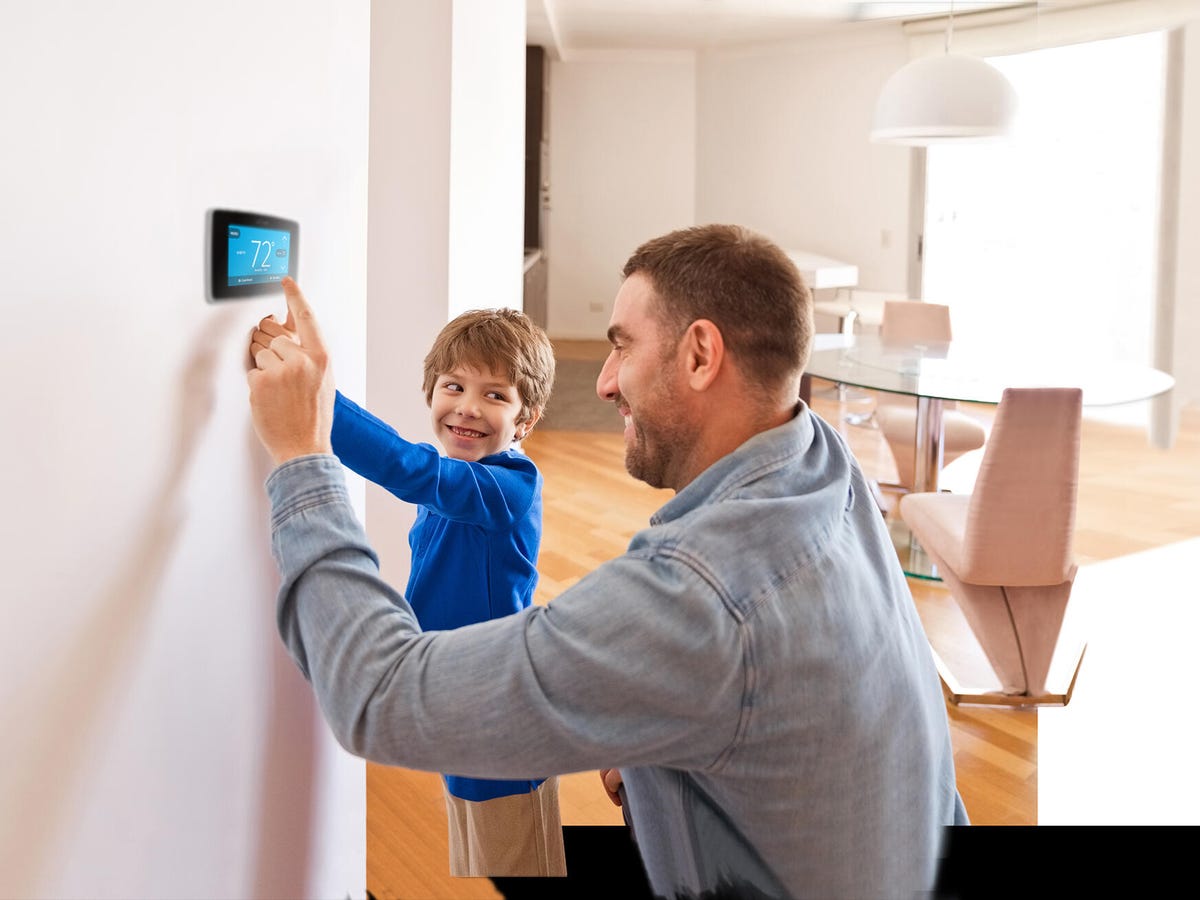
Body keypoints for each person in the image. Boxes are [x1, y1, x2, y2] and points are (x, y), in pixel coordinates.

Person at [246, 226, 968, 900]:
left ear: (699, 354)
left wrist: (302, 452)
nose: (604, 382)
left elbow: (376, 698)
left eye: (622, 346)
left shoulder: (700, 597)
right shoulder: (823, 462)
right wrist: (663, 726)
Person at [251, 302, 565, 878]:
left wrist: (314, 395)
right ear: (432, 392)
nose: (468, 408)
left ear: (526, 418)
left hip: (498, 702)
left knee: (513, 854)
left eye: (496, 396)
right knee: (478, 849)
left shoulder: (507, 487)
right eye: (454, 386)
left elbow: (406, 466)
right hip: (453, 688)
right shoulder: (459, 480)